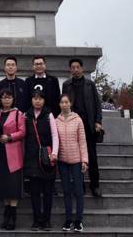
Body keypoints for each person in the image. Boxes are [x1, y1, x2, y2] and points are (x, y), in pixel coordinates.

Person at [62, 58, 102, 197]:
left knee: (92, 156)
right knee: (76, 157)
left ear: (82, 68)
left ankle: (95, 185)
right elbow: (64, 104)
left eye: (77, 67)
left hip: (88, 125)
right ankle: (80, 185)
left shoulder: (90, 84)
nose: (75, 69)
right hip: (73, 125)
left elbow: (97, 104)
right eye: (73, 67)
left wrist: (98, 121)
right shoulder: (67, 85)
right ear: (70, 69)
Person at [24, 89, 59, 231]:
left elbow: (55, 135)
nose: (37, 101)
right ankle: (37, 220)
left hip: (46, 158)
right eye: (35, 98)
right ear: (31, 100)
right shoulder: (26, 115)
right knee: (34, 192)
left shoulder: (49, 115)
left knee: (48, 192)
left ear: (44, 101)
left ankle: (46, 220)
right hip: (32, 158)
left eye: (40, 99)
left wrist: (54, 153)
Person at [0, 88, 26, 231]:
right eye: (4, 97)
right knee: (4, 186)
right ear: (0, 99)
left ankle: (12, 218)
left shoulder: (18, 114)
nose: (6, 99)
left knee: (13, 186)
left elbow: (23, 131)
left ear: (13, 99)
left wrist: (10, 137)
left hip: (13, 154)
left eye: (9, 97)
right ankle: (6, 216)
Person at [56, 94, 88, 232]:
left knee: (78, 191)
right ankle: (68, 219)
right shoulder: (56, 121)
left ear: (70, 103)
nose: (64, 105)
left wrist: (84, 160)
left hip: (76, 160)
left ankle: (78, 221)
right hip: (62, 160)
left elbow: (82, 141)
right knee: (66, 191)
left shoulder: (78, 120)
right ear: (59, 104)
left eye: (66, 102)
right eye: (62, 102)